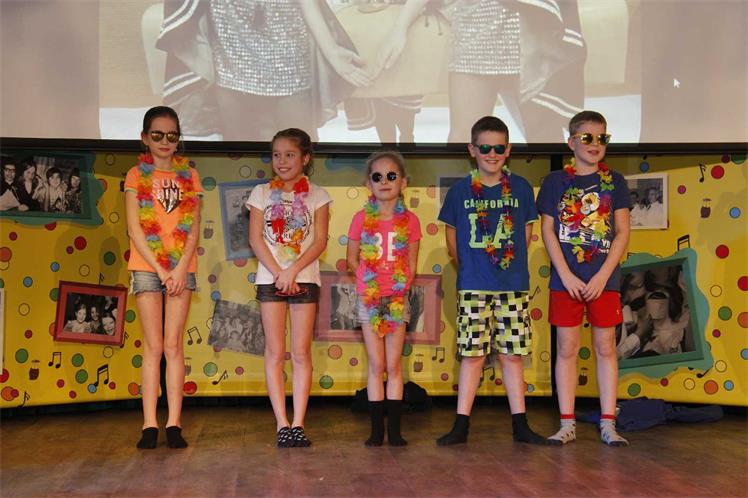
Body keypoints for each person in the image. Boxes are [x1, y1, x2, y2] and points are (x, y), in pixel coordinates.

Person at [437, 116, 546, 446]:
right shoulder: (459, 191)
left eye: (499, 148)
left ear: (508, 150)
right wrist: (475, 267)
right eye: (485, 148)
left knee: (512, 355)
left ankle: (520, 425)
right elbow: (452, 242)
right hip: (473, 285)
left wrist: (503, 267)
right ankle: (461, 425)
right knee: (472, 355)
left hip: (512, 285)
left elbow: (526, 236)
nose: (492, 154)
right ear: (472, 150)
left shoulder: (521, 188)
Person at [536, 110, 631, 446]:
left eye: (601, 138)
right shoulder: (555, 182)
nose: (595, 144)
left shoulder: (615, 181)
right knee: (567, 348)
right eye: (587, 137)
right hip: (566, 282)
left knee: (606, 347)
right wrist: (564, 274)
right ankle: (567, 423)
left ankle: (608, 423)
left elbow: (622, 232)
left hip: (604, 281)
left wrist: (603, 275)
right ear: (571, 142)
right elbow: (548, 230)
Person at [247, 128, 331, 447]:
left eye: (290, 155)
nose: (282, 161)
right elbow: (256, 238)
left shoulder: (318, 195)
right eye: (276, 155)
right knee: (274, 352)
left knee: (300, 352)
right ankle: (281, 423)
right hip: (271, 279)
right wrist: (279, 273)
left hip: (304, 279)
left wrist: (293, 271)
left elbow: (320, 241)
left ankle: (298, 423)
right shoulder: (261, 193)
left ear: (305, 158)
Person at [124, 106, 202, 449]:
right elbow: (134, 228)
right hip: (146, 267)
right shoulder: (135, 175)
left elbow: (193, 229)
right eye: (157, 135)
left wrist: (180, 268)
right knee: (153, 346)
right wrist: (160, 270)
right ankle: (149, 424)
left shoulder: (190, 176)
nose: (165, 141)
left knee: (173, 345)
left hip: (182, 268)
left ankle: (174, 423)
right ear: (145, 138)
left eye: (172, 135)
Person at [346, 150, 421, 446]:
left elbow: (412, 264)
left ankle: (396, 432)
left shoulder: (411, 221)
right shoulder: (361, 218)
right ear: (369, 184)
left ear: (403, 182)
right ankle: (376, 431)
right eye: (377, 177)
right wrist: (368, 284)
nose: (384, 181)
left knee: (393, 365)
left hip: (397, 298)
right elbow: (351, 258)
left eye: (391, 175)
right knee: (376, 365)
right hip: (369, 299)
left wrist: (399, 289)